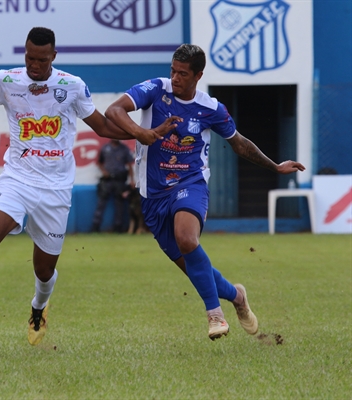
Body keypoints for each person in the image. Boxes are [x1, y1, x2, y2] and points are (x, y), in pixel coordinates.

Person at [0, 27, 180, 345]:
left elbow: (102, 126)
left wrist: (143, 133)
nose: (34, 64)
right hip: (17, 179)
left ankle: (39, 306)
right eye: (30, 57)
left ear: (53, 56)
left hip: (56, 189)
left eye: (42, 59)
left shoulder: (71, 86)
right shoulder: (6, 80)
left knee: (44, 271)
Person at [105, 44, 306, 340]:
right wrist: (140, 132)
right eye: (173, 70)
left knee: (187, 239)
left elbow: (239, 143)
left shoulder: (211, 109)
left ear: (198, 75)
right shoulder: (155, 89)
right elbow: (113, 111)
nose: (175, 78)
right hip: (152, 195)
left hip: (191, 183)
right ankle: (237, 296)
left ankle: (215, 315)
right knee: (196, 270)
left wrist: (275, 166)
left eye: (183, 74)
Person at [91, 139, 134, 233]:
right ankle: (95, 226)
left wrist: (132, 179)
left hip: (120, 180)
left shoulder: (124, 149)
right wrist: (104, 172)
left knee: (119, 205)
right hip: (107, 180)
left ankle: (118, 227)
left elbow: (130, 165)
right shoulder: (105, 148)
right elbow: (99, 162)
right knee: (101, 204)